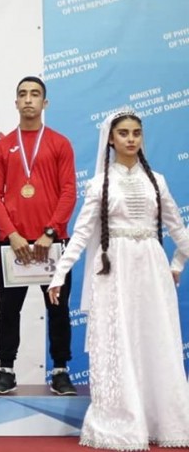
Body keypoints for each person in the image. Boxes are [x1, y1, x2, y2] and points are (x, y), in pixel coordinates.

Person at [47, 110, 189, 450]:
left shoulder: (157, 180)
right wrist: (59, 274)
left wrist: (178, 262)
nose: (130, 138)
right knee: (118, 340)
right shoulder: (98, 184)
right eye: (123, 133)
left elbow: (176, 227)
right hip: (114, 268)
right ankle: (123, 421)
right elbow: (81, 234)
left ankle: (161, 420)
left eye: (136, 133)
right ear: (110, 139)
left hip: (152, 268)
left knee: (155, 338)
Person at [0, 76, 78, 396]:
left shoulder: (60, 144)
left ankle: (61, 370)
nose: (28, 99)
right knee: (9, 310)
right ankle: (6, 370)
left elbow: (69, 192)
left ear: (44, 102)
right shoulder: (1, 147)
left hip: (52, 245)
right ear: (15, 103)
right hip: (14, 246)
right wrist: (11, 235)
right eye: (23, 94)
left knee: (58, 309)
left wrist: (50, 232)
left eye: (35, 94)